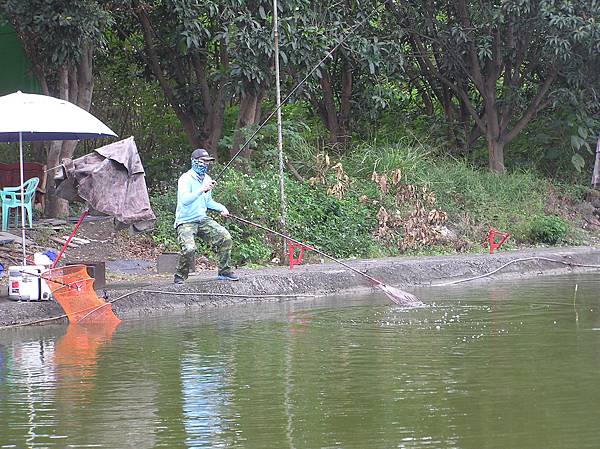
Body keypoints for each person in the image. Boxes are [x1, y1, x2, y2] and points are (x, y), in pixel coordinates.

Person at [173, 148, 239, 283]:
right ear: (194, 161)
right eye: (202, 161)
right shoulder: (185, 179)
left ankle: (224, 271)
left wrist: (222, 208)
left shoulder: (207, 179)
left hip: (202, 219)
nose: (205, 164)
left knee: (225, 237)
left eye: (207, 161)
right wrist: (201, 189)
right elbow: (185, 200)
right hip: (185, 222)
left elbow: (208, 202)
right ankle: (180, 276)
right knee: (190, 249)